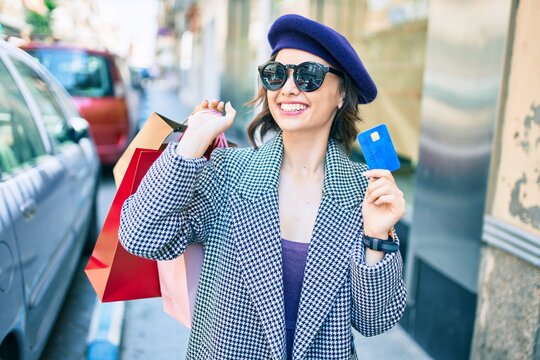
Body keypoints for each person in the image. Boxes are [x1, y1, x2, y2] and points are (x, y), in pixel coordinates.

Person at [119, 14, 407, 360]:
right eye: (276, 75)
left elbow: (374, 321)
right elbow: (140, 235)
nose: (288, 88)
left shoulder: (364, 194)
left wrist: (377, 236)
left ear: (342, 94)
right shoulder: (227, 173)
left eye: (308, 76)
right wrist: (191, 143)